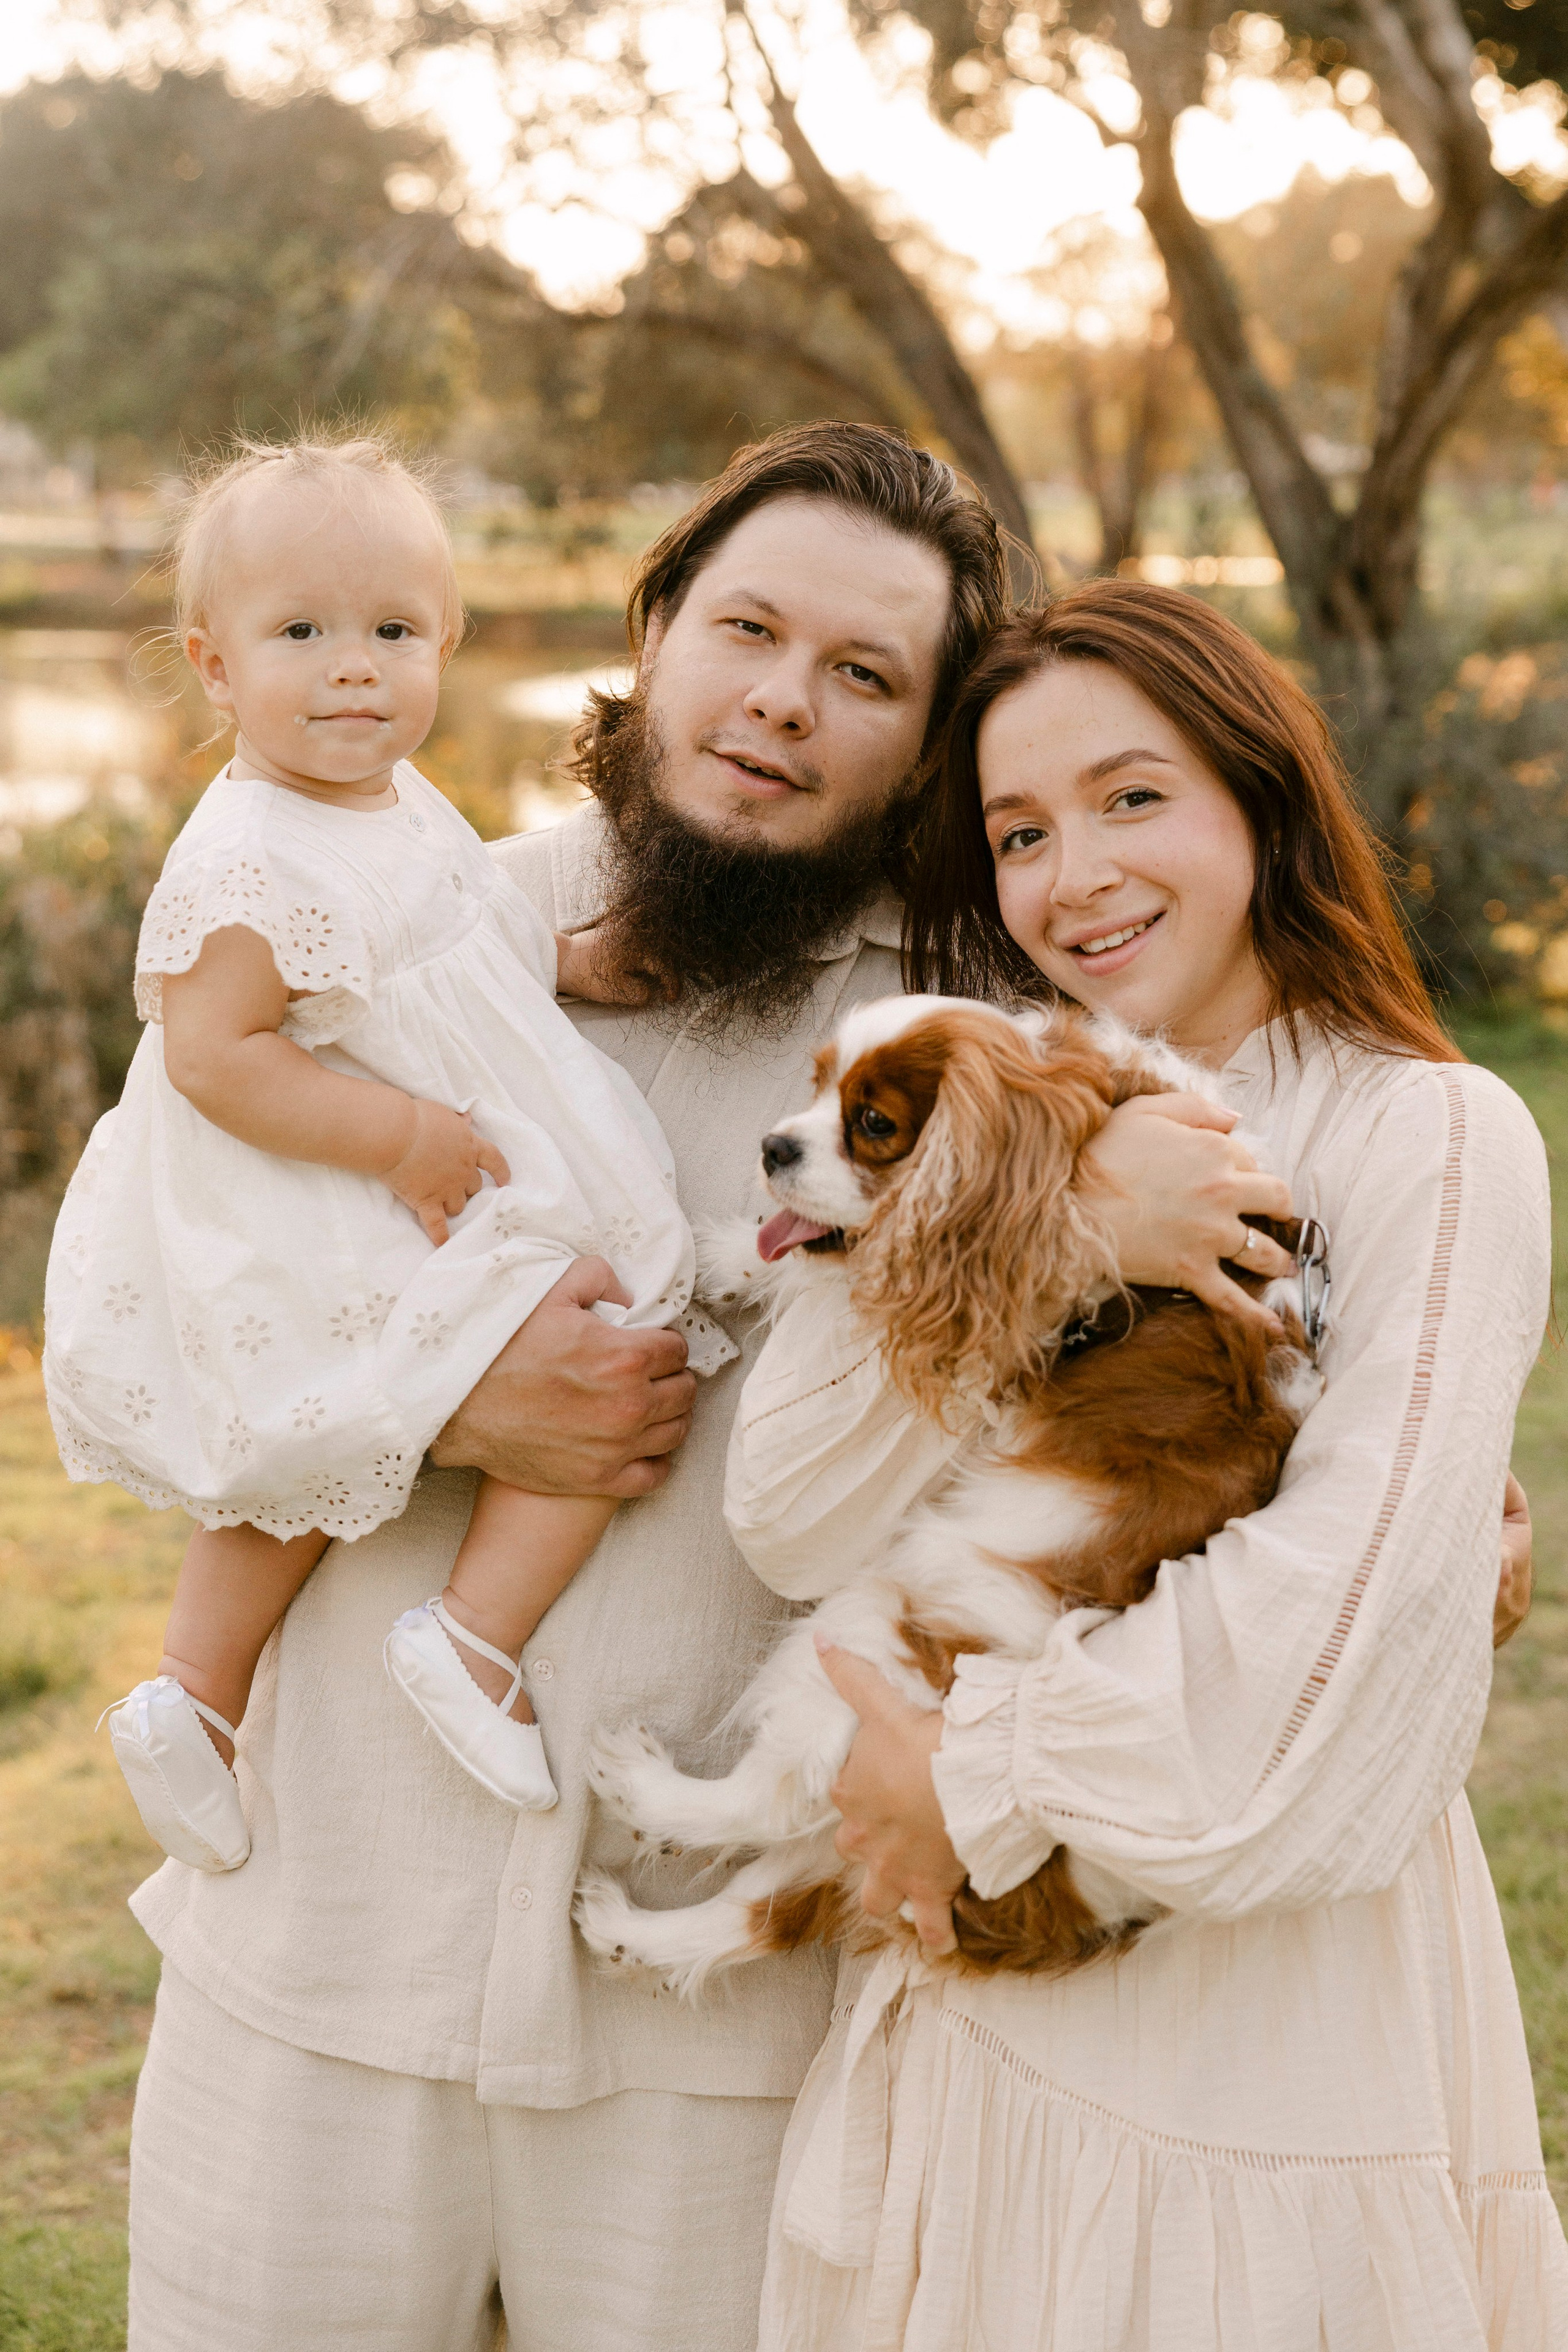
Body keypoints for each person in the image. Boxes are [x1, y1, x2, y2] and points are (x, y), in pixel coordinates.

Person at [119, 426, 1530, 2350]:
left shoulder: (980, 1050)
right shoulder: (401, 925)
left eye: (866, 677)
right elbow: (137, 1321)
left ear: (924, 744)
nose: (784, 703)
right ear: (659, 628)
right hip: (321, 1957)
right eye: (748, 630)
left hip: (725, 2037)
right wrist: (451, 1409)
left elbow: (1234, 1420)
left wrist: (1431, 1529)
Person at [750, 586, 1568, 2350]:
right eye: (1021, 832)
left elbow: (1329, 1677)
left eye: (1133, 800)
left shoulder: (1426, 1134)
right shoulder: (986, 1104)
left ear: (1260, 799)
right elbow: (787, 1506)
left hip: (1258, 2037)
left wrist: (971, 1767)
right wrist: (1071, 1229)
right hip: (974, 2009)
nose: (1074, 877)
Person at [47, 433, 735, 1863]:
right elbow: (214, 1054)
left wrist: (568, 961)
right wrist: (406, 1134)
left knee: (383, 1414)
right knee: (559, 1339)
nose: (354, 666)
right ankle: (385, 1653)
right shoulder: (247, 856)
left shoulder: (393, 804)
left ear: (444, 643)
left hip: (380, 1175)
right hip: (318, 1190)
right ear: (215, 665)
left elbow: (442, 951)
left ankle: (259, 1687)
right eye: (302, 632)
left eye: (392, 631)